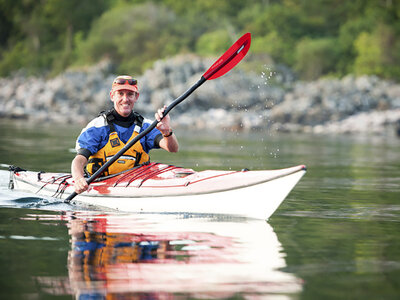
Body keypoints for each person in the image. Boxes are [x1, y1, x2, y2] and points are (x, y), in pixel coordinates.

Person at [71, 75, 179, 194]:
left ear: (136, 97)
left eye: (130, 94)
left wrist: (166, 131)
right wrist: (78, 179)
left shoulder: (145, 126)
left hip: (136, 187)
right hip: (101, 187)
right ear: (112, 96)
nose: (125, 99)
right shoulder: (97, 127)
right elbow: (79, 160)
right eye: (120, 94)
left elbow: (173, 148)